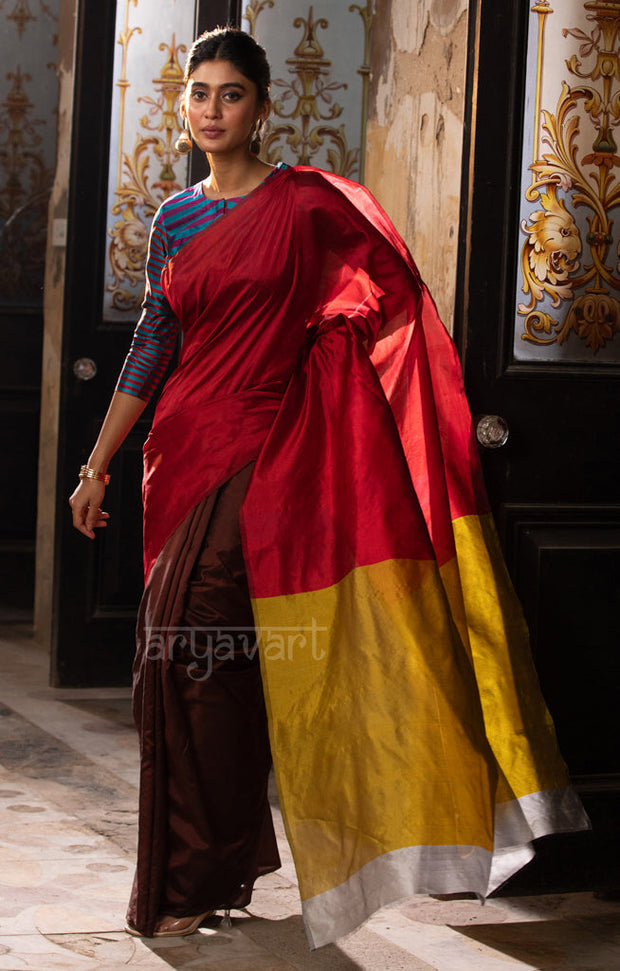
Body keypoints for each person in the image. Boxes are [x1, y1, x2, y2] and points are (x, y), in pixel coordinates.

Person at [70, 26, 589, 950]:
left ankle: (192, 874)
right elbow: (154, 343)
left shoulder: (307, 204)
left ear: (264, 107)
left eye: (232, 94)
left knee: (196, 647)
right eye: (199, 93)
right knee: (181, 664)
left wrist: (334, 367)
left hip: (272, 450)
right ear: (183, 105)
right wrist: (98, 462)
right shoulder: (175, 219)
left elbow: (390, 296)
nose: (213, 110)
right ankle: (222, 859)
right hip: (182, 448)